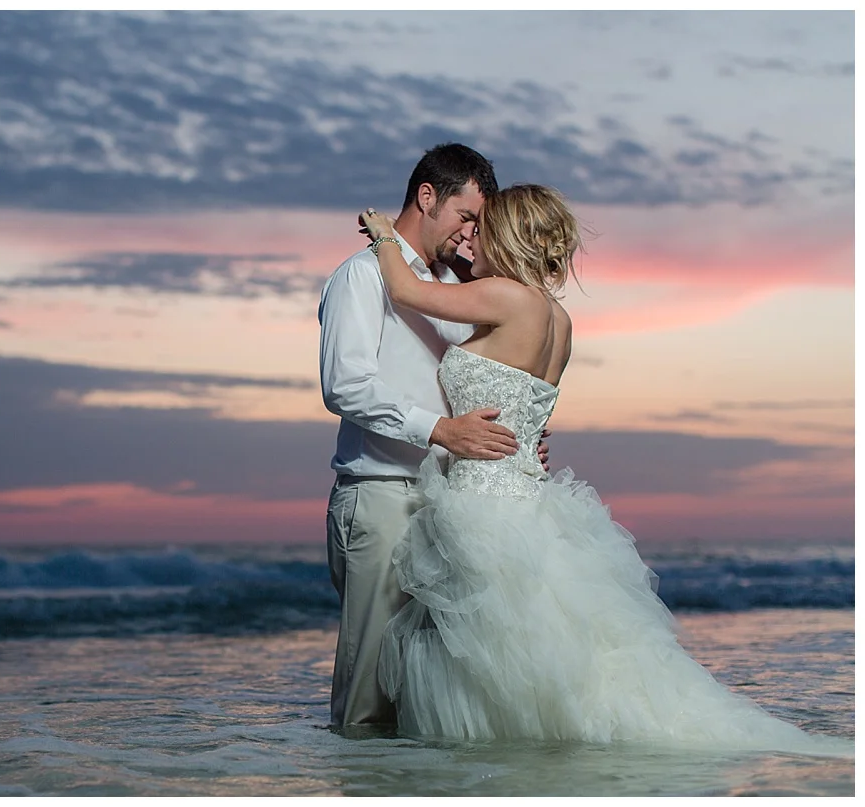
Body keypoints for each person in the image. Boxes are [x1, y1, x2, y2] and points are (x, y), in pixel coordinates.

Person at [356, 186, 851, 756]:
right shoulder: (558, 320)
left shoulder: (505, 297)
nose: (470, 239)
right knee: (536, 643)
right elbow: (521, 401)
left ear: (507, 236)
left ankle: (489, 765)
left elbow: (406, 290)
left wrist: (385, 234)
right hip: (526, 498)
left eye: (481, 229)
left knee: (494, 650)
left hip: (483, 505)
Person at [318, 143, 548, 730]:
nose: (471, 234)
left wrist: (512, 438)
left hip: (450, 508)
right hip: (384, 496)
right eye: (466, 216)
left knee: (425, 696)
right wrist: (443, 431)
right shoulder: (363, 276)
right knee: (370, 694)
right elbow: (345, 386)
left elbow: (479, 379)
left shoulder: (455, 286)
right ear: (427, 197)